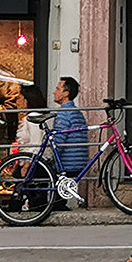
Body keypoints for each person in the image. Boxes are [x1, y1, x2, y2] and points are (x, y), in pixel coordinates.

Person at [47, 77, 90, 205]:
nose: (54, 92)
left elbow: (59, 142)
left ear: (66, 93)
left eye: (58, 89)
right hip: (80, 162)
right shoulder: (77, 113)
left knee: (40, 172)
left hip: (67, 163)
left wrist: (50, 161)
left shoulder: (64, 113)